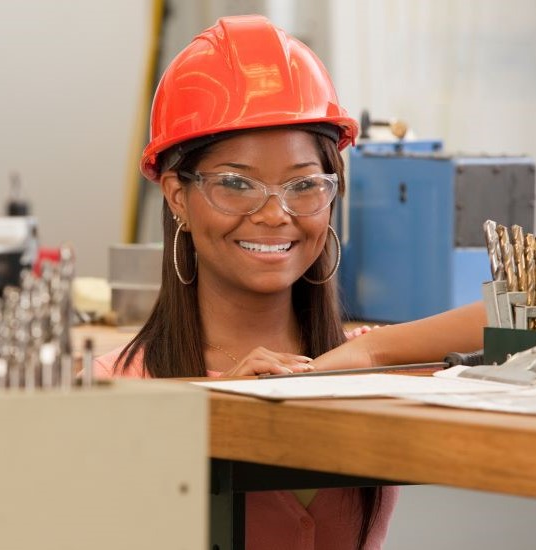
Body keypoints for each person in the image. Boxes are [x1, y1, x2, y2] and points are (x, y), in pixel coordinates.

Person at [92, 14, 486, 550]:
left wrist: (368, 356)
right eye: (236, 183)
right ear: (176, 194)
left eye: (303, 185)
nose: (276, 214)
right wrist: (218, 410)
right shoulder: (116, 387)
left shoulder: (366, 366)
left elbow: (533, 321)